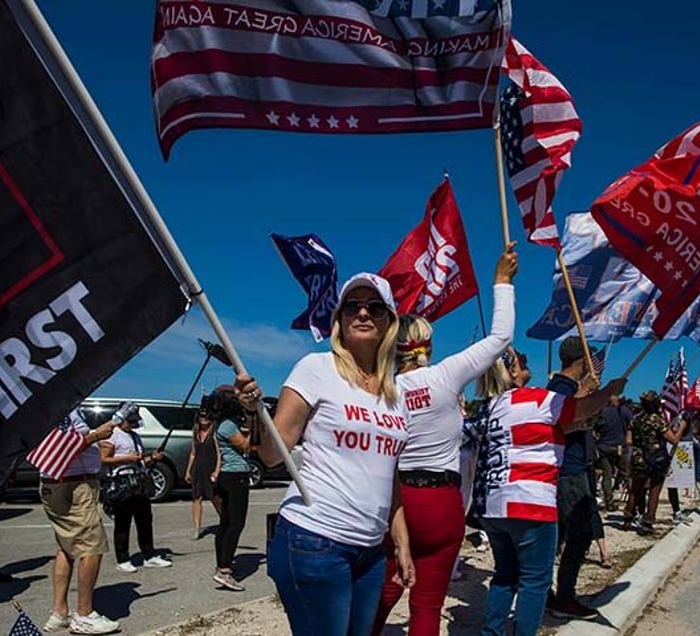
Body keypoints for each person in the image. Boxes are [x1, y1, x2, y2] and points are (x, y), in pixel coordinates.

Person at [235, 272, 415, 635]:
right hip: (315, 540)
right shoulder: (316, 368)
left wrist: (402, 542)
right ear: (340, 318)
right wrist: (255, 413)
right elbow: (273, 455)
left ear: (389, 322)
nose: (362, 313)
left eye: (374, 307)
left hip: (370, 552)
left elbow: (389, 475)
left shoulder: (396, 395)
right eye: (353, 306)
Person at [373, 243, 519, 636]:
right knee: (427, 607)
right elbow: (502, 337)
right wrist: (501, 282)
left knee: (383, 594)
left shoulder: (381, 391)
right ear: (427, 345)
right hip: (442, 503)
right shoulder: (445, 377)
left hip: (398, 502)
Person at [472, 349, 625, 636]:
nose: (527, 364)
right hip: (530, 502)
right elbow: (581, 409)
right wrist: (609, 391)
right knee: (535, 580)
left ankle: (491, 632)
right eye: (522, 361)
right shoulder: (535, 398)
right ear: (511, 372)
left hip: (493, 505)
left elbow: (555, 427)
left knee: (505, 575)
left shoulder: (488, 407)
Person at [38, 408, 120, 634]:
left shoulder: (46, 409)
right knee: (92, 547)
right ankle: (84, 614)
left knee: (66, 547)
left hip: (59, 483)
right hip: (73, 485)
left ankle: (60, 611)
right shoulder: (57, 410)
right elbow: (61, 448)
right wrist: (96, 435)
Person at [545, 336, 602, 621]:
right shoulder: (562, 387)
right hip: (566, 471)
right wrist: (584, 393)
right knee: (579, 533)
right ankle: (563, 596)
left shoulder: (567, 387)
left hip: (573, 466)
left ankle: (551, 594)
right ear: (582, 361)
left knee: (560, 535)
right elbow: (556, 422)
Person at [99, 403, 173, 573]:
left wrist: (152, 458)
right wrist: (127, 459)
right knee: (123, 522)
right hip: (120, 483)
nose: (133, 424)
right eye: (130, 421)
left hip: (138, 482)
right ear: (122, 419)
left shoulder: (135, 437)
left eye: (135, 421)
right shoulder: (112, 435)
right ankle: (123, 559)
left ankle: (149, 555)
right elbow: (104, 459)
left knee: (145, 520)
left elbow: (139, 461)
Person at [623, 391, 688, 535]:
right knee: (654, 490)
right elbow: (673, 440)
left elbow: (628, 441)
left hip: (638, 458)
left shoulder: (635, 420)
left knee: (635, 489)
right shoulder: (658, 420)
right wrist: (682, 427)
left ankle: (628, 516)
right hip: (656, 459)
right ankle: (648, 520)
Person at [209, 385, 252, 592]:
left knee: (225, 523)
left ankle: (222, 563)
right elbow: (244, 445)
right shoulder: (228, 425)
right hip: (236, 476)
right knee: (236, 523)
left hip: (227, 476)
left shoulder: (221, 424)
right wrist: (256, 430)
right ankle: (225, 570)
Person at [184, 408, 221, 541]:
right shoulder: (195, 433)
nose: (204, 418)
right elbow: (193, 453)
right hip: (197, 469)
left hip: (210, 468)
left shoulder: (215, 433)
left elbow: (219, 454)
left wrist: (217, 471)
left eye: (206, 416)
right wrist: (188, 470)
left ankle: (225, 522)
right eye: (201, 416)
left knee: (215, 497)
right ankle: (196, 528)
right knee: (196, 498)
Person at [595, 395, 633, 510]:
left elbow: (596, 428)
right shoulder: (624, 411)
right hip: (620, 446)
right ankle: (632, 502)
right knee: (626, 474)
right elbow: (632, 424)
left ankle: (609, 502)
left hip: (604, 446)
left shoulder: (602, 412)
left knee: (607, 475)